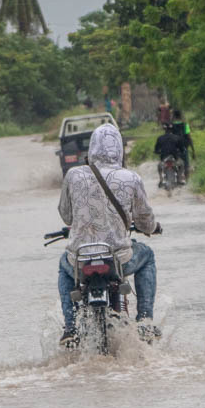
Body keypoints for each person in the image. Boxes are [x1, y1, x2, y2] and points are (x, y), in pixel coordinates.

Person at [57, 123, 161, 346]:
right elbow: (145, 220)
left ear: (92, 148)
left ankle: (71, 327)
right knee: (148, 256)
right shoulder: (131, 178)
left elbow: (66, 216)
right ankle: (144, 320)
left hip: (81, 258)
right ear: (119, 149)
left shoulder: (73, 175)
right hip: (118, 259)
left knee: (64, 266)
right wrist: (152, 228)